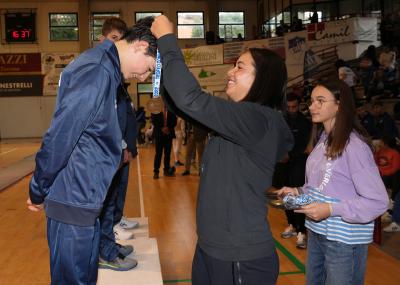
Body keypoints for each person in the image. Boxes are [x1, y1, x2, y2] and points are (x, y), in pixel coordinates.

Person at [151, 15, 293, 285]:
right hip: (210, 249)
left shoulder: (259, 119)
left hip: (240, 257)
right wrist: (159, 59)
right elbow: (180, 104)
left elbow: (190, 99)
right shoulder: (241, 121)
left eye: (240, 67)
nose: (230, 72)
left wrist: (167, 40)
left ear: (264, 78)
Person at [27, 17, 157, 285]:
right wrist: (38, 189)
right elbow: (61, 136)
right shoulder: (97, 70)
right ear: (140, 46)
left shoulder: (106, 69)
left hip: (85, 200)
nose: (143, 76)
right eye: (149, 68)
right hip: (73, 200)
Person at [277, 79, 389, 285]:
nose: (311, 106)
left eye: (320, 101)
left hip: (343, 242)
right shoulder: (322, 140)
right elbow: (321, 187)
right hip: (317, 233)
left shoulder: (354, 146)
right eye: (311, 101)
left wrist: (330, 209)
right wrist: (298, 191)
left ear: (340, 105)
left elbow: (378, 201)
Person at [96, 17, 139, 272]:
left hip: (119, 151)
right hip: (108, 153)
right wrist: (120, 145)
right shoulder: (99, 72)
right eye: (113, 39)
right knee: (105, 205)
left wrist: (126, 146)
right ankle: (105, 252)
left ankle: (110, 244)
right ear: (102, 39)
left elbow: (123, 117)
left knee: (113, 203)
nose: (116, 46)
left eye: (120, 41)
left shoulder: (117, 78)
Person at [280, 94, 312, 249]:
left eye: (294, 107)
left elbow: (306, 147)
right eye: (289, 107)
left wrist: (290, 155)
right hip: (283, 164)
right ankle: (292, 224)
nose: (291, 110)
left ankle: (302, 231)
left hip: (299, 163)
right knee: (285, 195)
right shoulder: (281, 121)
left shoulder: (305, 123)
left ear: (299, 106)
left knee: (298, 196)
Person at [151, 100, 177, 179]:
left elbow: (174, 121)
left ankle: (166, 170)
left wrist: (168, 128)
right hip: (159, 134)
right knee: (158, 154)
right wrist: (162, 128)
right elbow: (154, 121)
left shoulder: (171, 110)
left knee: (167, 154)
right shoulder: (156, 110)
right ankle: (156, 171)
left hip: (168, 135)